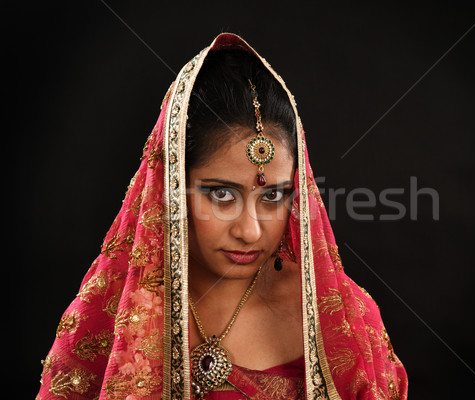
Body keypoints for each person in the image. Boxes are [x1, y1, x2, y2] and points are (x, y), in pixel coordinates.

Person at [37, 33, 408, 400]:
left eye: (273, 195)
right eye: (221, 194)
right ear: (170, 188)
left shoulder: (344, 321)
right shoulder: (110, 315)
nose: (250, 231)